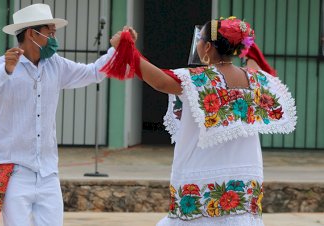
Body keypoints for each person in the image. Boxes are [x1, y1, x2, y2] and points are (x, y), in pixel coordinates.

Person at [109, 18, 296, 225]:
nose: (197, 43)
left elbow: (160, 81)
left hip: (202, 173)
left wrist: (126, 48)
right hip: (245, 179)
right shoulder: (257, 79)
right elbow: (253, 60)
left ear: (207, 46)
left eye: (200, 39)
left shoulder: (197, 79)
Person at [0, 4, 115, 226]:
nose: (54, 38)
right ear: (31, 33)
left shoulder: (56, 65)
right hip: (14, 171)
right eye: (50, 32)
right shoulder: (1, 65)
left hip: (48, 172)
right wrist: (5, 71)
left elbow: (93, 72)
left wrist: (117, 49)